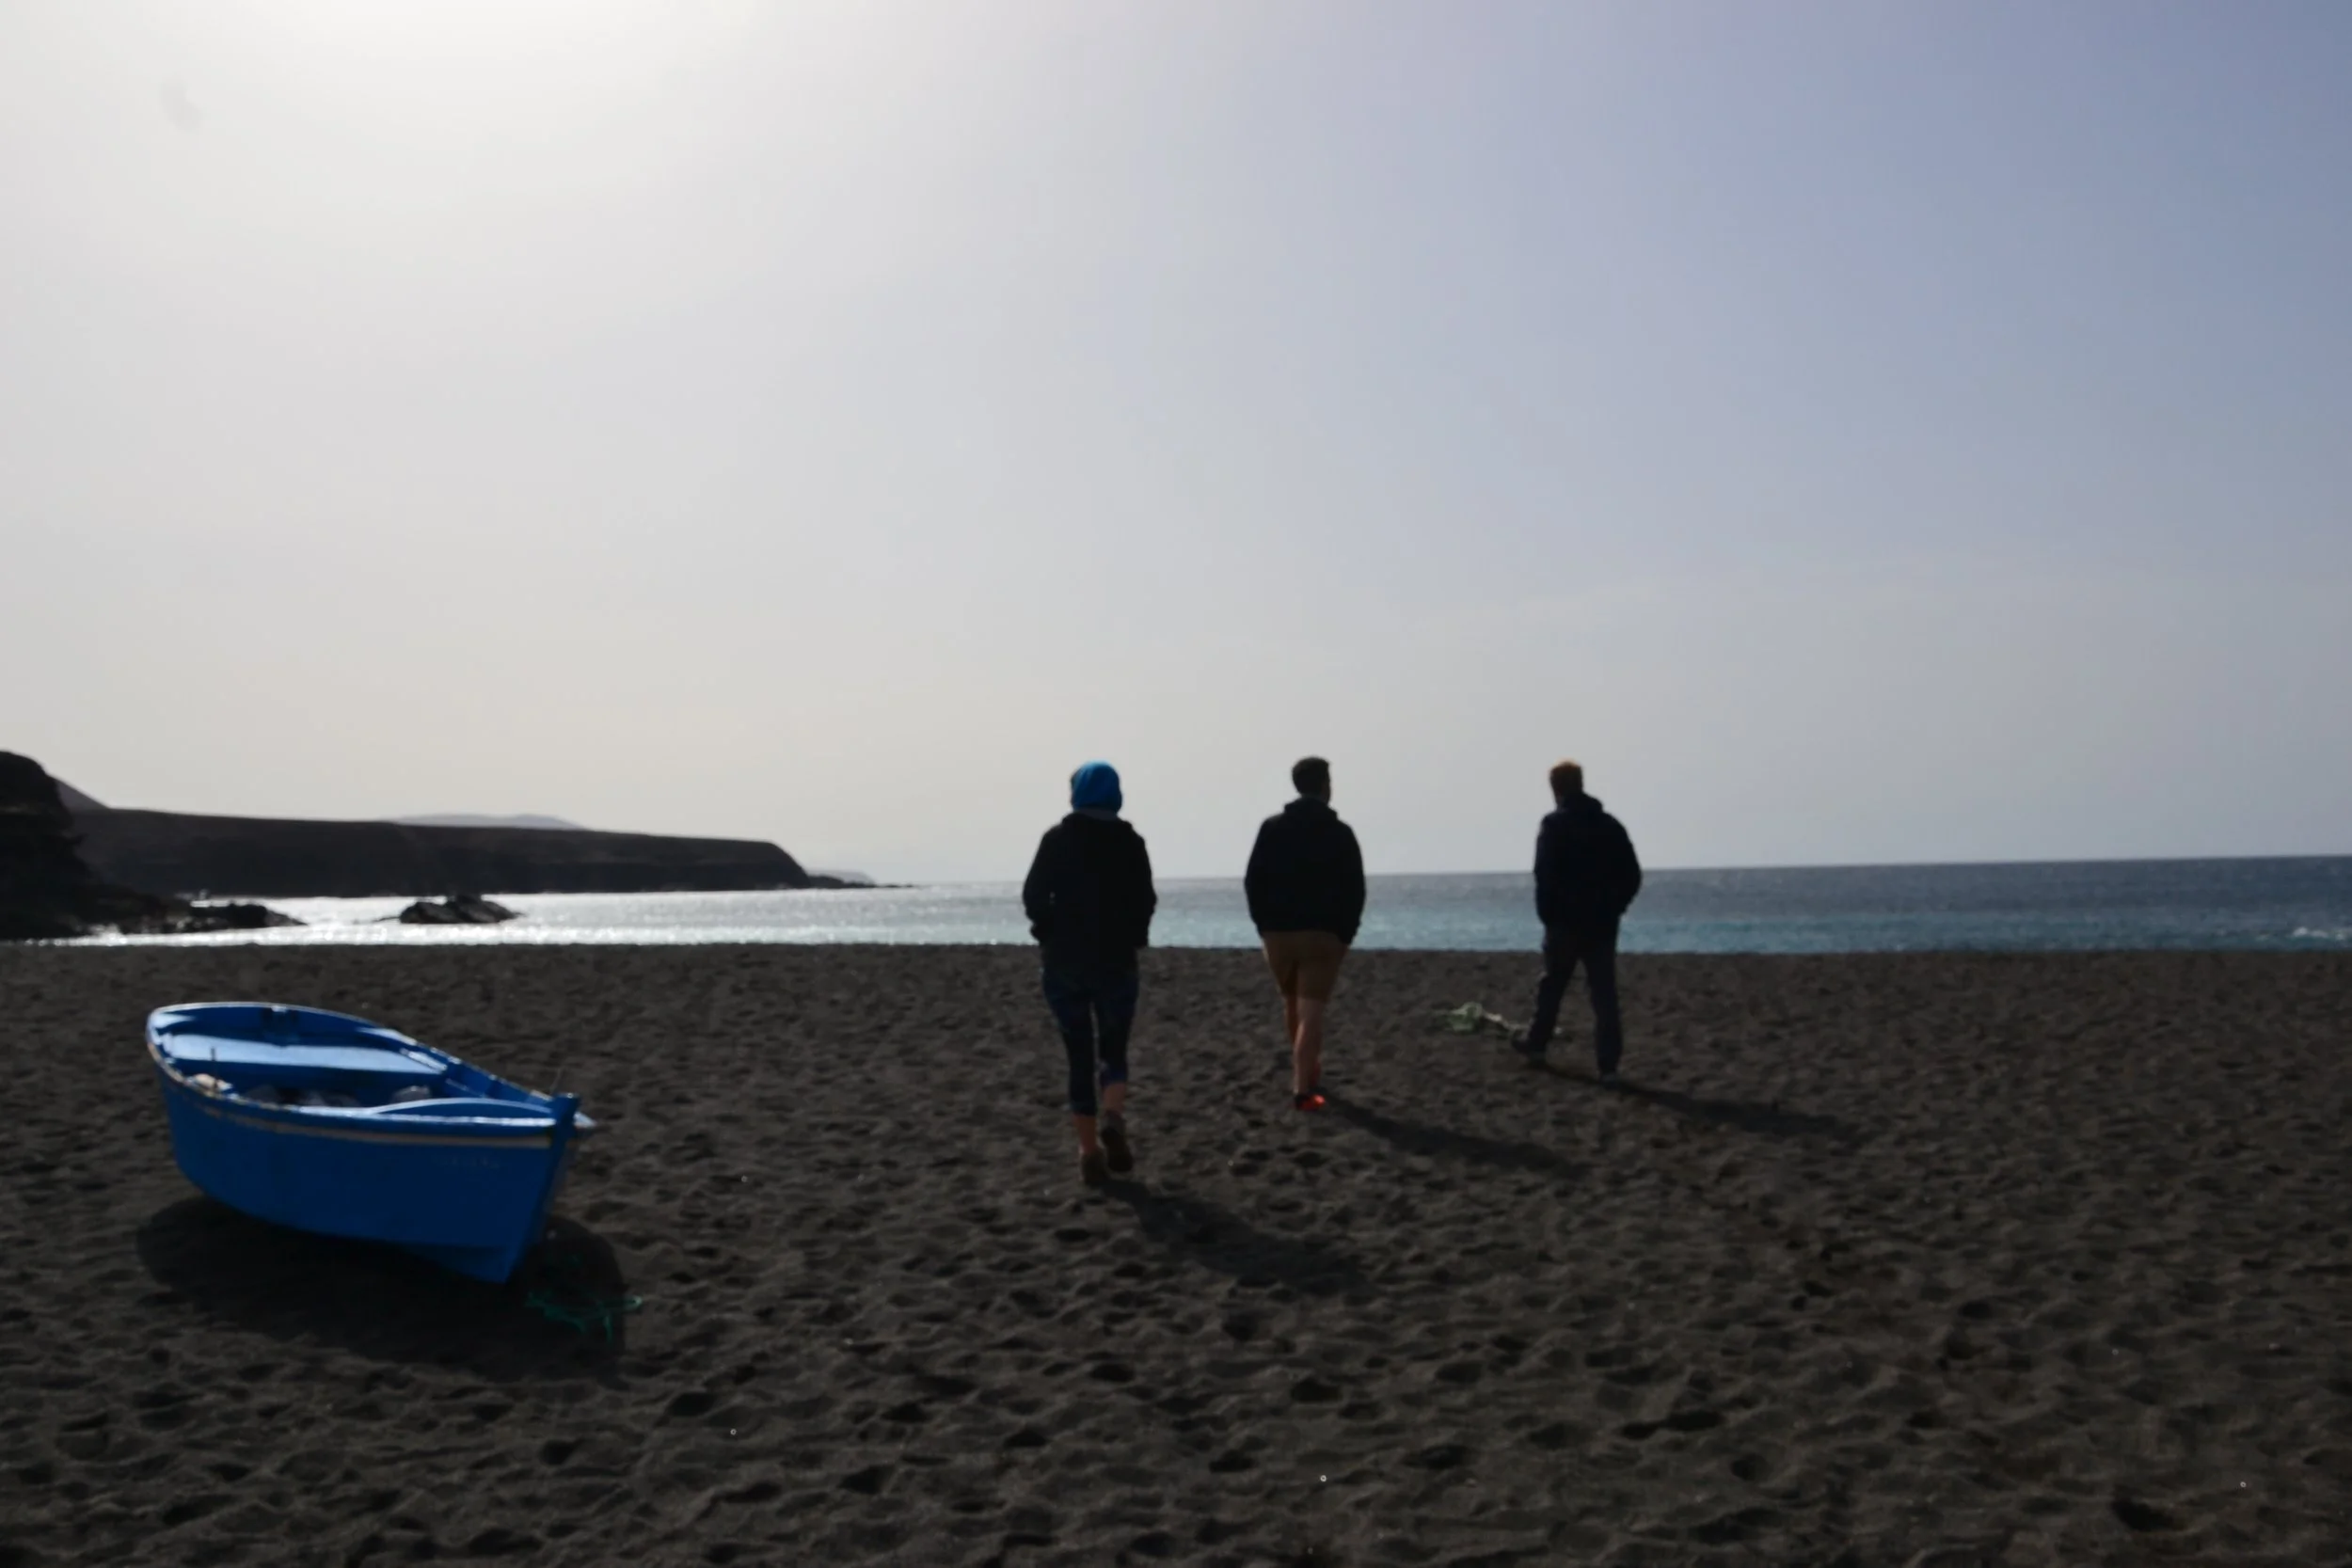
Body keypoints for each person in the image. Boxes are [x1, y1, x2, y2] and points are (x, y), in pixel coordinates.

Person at [1022, 761, 1157, 1186]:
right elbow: (1145, 899)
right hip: (1116, 960)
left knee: (1077, 1053)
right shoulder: (1130, 842)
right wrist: (1136, 935)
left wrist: (1047, 932)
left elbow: (1033, 895)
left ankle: (1087, 1151)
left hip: (1064, 961)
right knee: (1114, 1048)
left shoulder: (1057, 839)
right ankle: (1113, 1114)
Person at [1244, 755, 1365, 1111]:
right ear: (1325, 785)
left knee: (1292, 1002)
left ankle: (1308, 1067)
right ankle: (1303, 1086)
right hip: (1321, 934)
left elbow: (1254, 880)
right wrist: (1347, 933)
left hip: (1278, 932)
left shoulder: (1272, 828)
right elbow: (1354, 888)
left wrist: (1262, 924)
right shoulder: (1339, 833)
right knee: (1311, 1010)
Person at [1516, 760, 1642, 1084]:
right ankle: (1609, 1066)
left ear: (1556, 788)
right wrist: (1616, 907)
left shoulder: (1555, 825)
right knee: (1603, 994)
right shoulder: (1609, 825)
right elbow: (1631, 874)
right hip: (1601, 922)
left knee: (1553, 985)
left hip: (1566, 923)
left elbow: (1543, 874)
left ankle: (1537, 1046)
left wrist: (1549, 915)